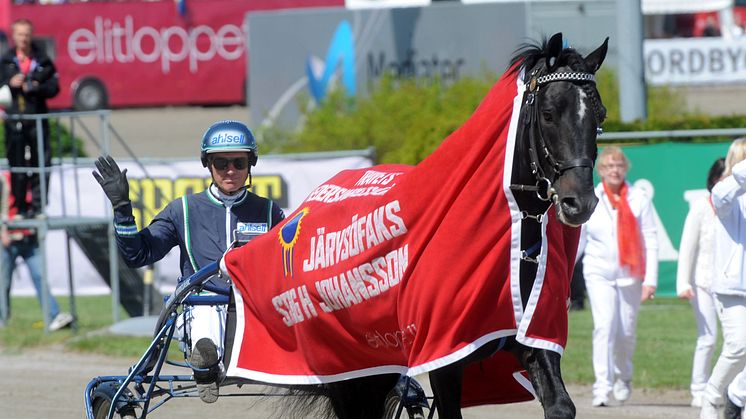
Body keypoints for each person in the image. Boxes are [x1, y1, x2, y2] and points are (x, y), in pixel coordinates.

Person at [92, 120, 285, 404]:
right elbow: (138, 255)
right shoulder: (182, 209)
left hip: (253, 309)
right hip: (203, 307)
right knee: (205, 308)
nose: (231, 171)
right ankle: (206, 364)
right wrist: (122, 209)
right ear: (208, 165)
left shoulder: (269, 212)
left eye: (239, 163)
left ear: (250, 165)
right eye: (221, 163)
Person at [578, 146, 658, 408]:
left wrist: (651, 279)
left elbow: (650, 239)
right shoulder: (592, 197)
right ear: (601, 170)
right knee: (604, 326)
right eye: (609, 166)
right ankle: (601, 387)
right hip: (598, 271)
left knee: (626, 330)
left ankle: (624, 377)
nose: (614, 170)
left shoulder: (639, 198)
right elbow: (580, 240)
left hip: (630, 274)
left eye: (619, 165)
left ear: (625, 169)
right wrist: (565, 272)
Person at [700, 139, 746, 419]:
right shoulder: (724, 191)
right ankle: (714, 395)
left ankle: (737, 396)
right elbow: (723, 197)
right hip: (732, 287)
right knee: (740, 344)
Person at [676, 157, 725, 408]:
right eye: (721, 177)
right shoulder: (700, 207)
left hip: (731, 284)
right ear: (713, 179)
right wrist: (683, 282)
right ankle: (699, 387)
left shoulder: (739, 205)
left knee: (735, 340)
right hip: (703, 282)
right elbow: (687, 248)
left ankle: (728, 389)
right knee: (708, 337)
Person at [0, 18, 59, 218]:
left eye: (26, 34)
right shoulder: (5, 60)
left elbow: (54, 88)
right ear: (14, 36)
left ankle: (39, 207)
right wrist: (9, 82)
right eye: (20, 34)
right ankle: (20, 208)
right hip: (14, 120)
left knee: (41, 163)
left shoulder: (42, 60)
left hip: (37, 119)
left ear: (31, 35)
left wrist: (34, 87)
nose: (23, 39)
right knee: (16, 164)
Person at [0, 170, 72, 331]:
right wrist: (2, 231)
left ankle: (54, 317)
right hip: (9, 238)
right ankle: (2, 320)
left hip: (30, 238)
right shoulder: (5, 178)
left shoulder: (35, 179)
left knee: (40, 277)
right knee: (2, 282)